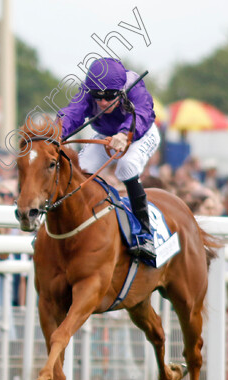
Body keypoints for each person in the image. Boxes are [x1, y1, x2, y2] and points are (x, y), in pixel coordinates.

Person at [57, 57, 160, 259]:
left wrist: (124, 134)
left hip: (140, 133)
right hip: (106, 135)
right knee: (79, 171)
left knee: (126, 167)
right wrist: (56, 133)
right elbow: (72, 113)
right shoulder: (87, 90)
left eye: (109, 96)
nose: (103, 102)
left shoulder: (134, 85)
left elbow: (142, 113)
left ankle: (146, 235)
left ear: (121, 90)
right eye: (98, 97)